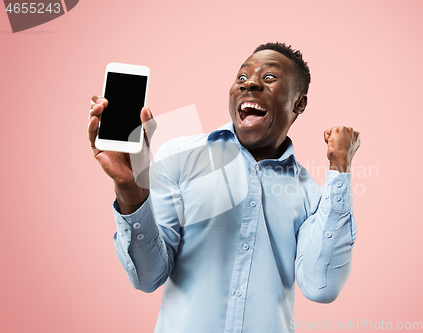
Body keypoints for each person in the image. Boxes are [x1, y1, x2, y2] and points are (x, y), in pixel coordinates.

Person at [88, 42, 360, 333]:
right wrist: (130, 189)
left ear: (299, 103)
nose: (250, 83)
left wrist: (339, 168)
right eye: (241, 78)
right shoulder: (179, 157)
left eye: (269, 78)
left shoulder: (313, 196)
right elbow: (147, 276)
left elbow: (322, 286)